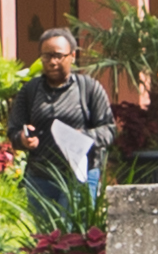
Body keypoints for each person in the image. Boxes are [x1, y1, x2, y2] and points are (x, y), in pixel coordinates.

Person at [10, 24, 116, 226]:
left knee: (72, 235)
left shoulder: (89, 89)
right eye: (46, 56)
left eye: (58, 56)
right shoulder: (30, 91)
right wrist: (23, 139)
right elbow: (14, 129)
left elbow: (109, 130)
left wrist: (83, 136)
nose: (52, 62)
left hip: (79, 178)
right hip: (41, 178)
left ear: (72, 56)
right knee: (46, 240)